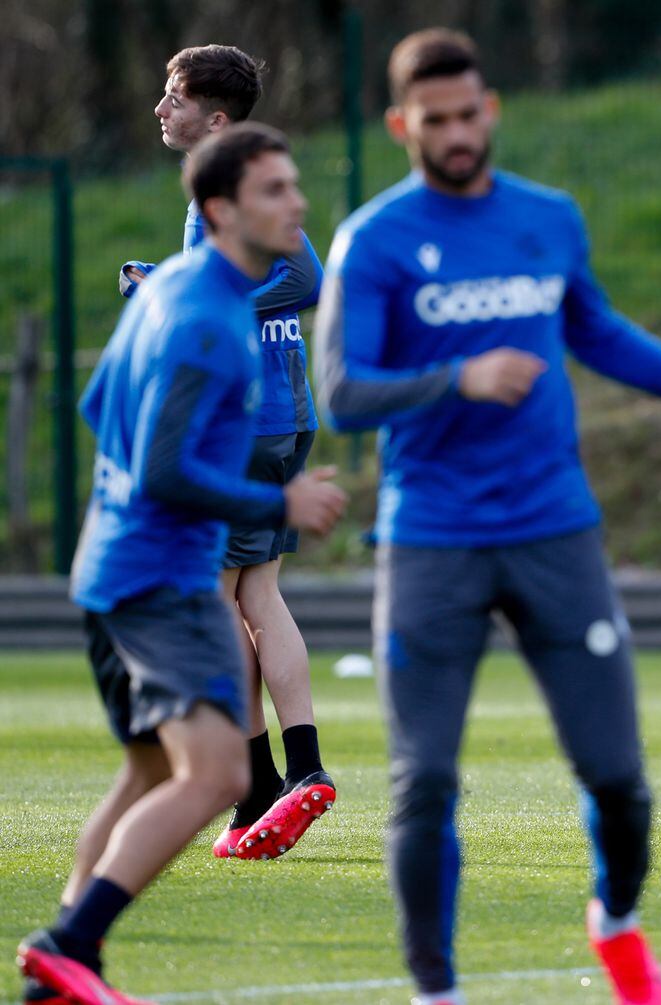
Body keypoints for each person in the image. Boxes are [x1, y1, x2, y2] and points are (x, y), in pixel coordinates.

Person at [313, 29, 661, 1005]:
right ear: (401, 125)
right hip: (433, 541)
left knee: (620, 780)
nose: (456, 134)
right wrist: (458, 375)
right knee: (424, 785)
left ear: (490, 111)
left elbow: (604, 336)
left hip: (554, 531)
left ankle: (616, 923)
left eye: (469, 115)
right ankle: (436, 991)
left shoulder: (547, 218)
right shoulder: (373, 239)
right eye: (436, 121)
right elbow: (339, 393)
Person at [17, 124, 347, 1005]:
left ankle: (62, 965)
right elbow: (166, 468)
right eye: (276, 191)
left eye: (293, 185)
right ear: (219, 209)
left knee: (152, 773)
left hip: (115, 562)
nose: (297, 205)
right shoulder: (209, 318)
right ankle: (68, 942)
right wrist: (279, 502)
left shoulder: (167, 295)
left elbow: (100, 409)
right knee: (219, 774)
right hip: (157, 576)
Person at [122, 43, 333, 860]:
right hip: (280, 418)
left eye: (173, 97)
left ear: (213, 116)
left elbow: (303, 279)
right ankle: (285, 778)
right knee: (257, 599)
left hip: (240, 426)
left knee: (215, 604)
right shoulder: (242, 175)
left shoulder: (224, 170)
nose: (159, 109)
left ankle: (266, 784)